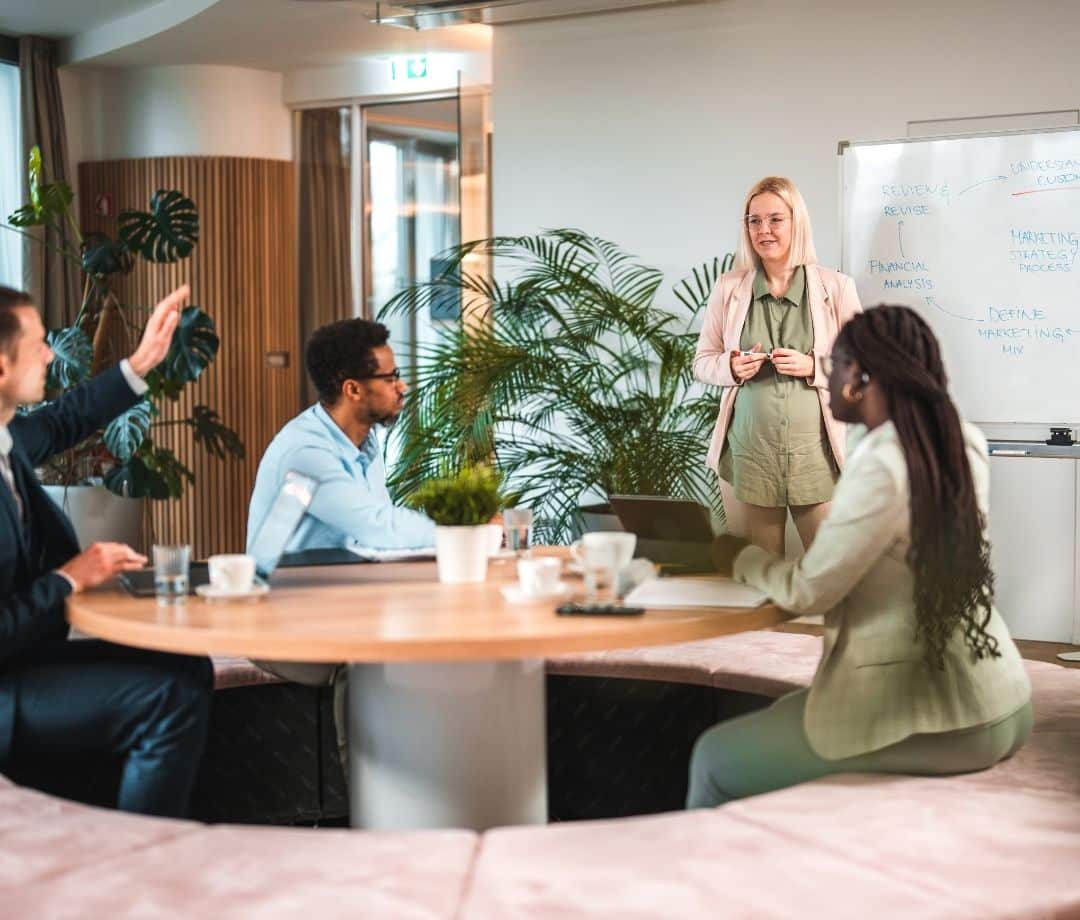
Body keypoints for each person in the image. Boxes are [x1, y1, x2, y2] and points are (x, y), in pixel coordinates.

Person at [686, 305, 1033, 807]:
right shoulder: (957, 440)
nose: (825, 383)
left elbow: (809, 590)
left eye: (833, 367)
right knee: (787, 709)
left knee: (714, 758)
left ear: (860, 378)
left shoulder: (882, 468)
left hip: (941, 718)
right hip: (1001, 696)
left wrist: (729, 552)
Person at [0, 284, 213, 818]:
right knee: (169, 698)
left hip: (28, 658)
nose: (51, 354)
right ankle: (140, 858)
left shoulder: (9, 439)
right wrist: (70, 578)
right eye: (38, 344)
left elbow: (65, 418)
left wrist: (141, 362)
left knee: (190, 668)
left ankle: (144, 823)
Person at [246, 318, 436, 759]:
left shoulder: (361, 444)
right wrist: (467, 534)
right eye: (390, 378)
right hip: (280, 620)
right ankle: (369, 806)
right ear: (353, 389)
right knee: (372, 658)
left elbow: (376, 534)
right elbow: (376, 526)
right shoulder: (308, 452)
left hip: (334, 602)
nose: (402, 387)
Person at [694, 176, 863, 556]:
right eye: (754, 221)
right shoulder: (729, 288)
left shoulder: (836, 287)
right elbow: (703, 362)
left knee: (834, 577)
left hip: (817, 458)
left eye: (775, 219)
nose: (763, 230)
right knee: (759, 583)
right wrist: (732, 367)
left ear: (796, 222)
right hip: (750, 456)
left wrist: (814, 368)